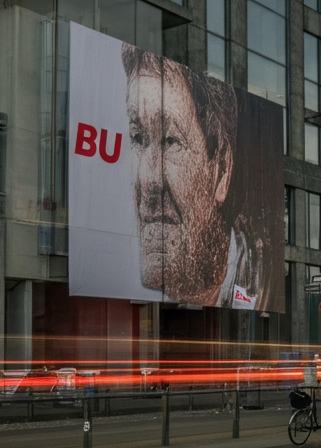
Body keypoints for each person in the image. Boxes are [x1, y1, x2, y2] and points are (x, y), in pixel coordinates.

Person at [121, 44, 283, 312]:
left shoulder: (259, 286)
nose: (148, 181)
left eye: (171, 141)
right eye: (138, 138)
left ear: (221, 168)